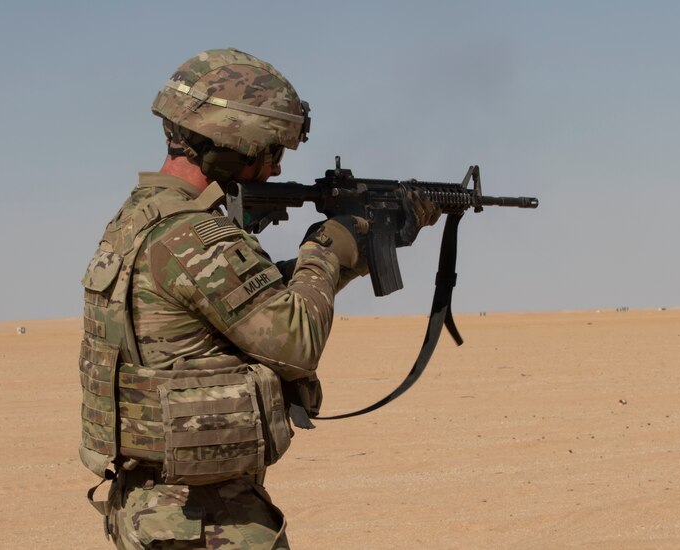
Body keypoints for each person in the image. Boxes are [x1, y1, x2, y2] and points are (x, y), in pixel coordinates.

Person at [78, 48, 438, 549]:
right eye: (271, 151)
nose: (273, 170)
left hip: (159, 508)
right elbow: (294, 340)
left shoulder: (144, 218)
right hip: (205, 521)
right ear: (234, 141)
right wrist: (324, 247)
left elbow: (249, 302)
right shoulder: (198, 238)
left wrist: (361, 247)